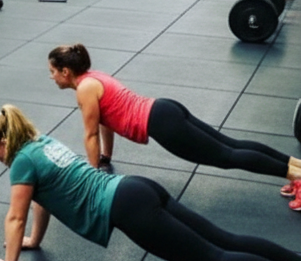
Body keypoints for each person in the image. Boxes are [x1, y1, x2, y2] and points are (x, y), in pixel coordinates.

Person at [0, 105, 301, 261]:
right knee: (226, 241)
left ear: (4, 141)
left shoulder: (21, 162)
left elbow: (15, 217)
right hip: (135, 188)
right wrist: (34, 240)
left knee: (218, 258)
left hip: (129, 209)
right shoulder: (40, 142)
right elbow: (39, 203)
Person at [47, 43, 301, 194]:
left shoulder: (84, 89)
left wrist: (92, 178)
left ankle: (296, 177)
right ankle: (296, 166)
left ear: (65, 72)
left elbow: (90, 134)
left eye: (53, 72)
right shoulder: (94, 77)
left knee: (226, 157)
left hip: (161, 123)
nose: (52, 78)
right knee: (231, 145)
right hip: (164, 109)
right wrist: (106, 158)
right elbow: (104, 124)